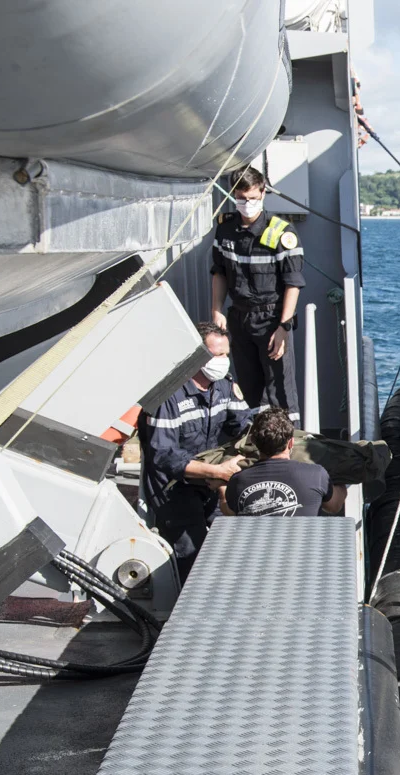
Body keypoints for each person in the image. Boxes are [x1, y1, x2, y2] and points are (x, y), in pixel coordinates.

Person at [138, 323, 254, 580]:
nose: (223, 361)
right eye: (216, 355)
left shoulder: (224, 384)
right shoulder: (168, 396)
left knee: (233, 536)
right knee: (192, 551)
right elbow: (163, 455)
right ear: (197, 356)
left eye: (226, 354)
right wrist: (216, 471)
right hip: (173, 486)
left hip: (210, 480)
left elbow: (243, 425)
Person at [209, 166, 304, 418]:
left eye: (252, 198)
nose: (247, 204)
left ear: (263, 193)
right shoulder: (225, 229)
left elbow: (293, 283)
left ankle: (286, 445)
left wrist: (284, 327)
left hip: (271, 320)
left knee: (280, 391)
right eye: (241, 199)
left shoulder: (282, 232)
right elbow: (219, 272)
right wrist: (217, 309)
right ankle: (255, 442)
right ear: (233, 195)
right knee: (249, 387)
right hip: (239, 319)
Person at [222, 408, 348, 517]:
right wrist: (341, 473)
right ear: (291, 442)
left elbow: (230, 511)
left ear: (254, 442)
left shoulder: (238, 480)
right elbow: (335, 506)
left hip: (258, 545)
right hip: (304, 545)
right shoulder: (317, 474)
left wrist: (221, 486)